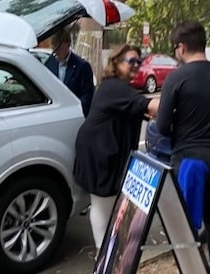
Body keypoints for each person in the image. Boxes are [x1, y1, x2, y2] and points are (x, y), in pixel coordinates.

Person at [156, 21, 210, 274]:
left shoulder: (177, 77)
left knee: (186, 220)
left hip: (189, 158)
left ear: (181, 47)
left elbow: (163, 126)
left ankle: (192, 269)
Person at [73, 44, 159, 256]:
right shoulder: (114, 87)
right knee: (103, 203)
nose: (136, 66)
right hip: (99, 153)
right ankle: (104, 255)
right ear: (115, 63)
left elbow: (138, 111)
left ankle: (107, 250)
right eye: (131, 61)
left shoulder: (119, 88)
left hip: (104, 149)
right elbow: (153, 107)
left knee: (106, 203)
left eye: (139, 62)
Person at [45, 28, 95, 117]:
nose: (55, 52)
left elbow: (87, 96)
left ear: (67, 44)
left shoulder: (82, 66)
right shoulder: (49, 64)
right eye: (53, 48)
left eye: (58, 48)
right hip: (53, 115)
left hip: (74, 116)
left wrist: (75, 113)